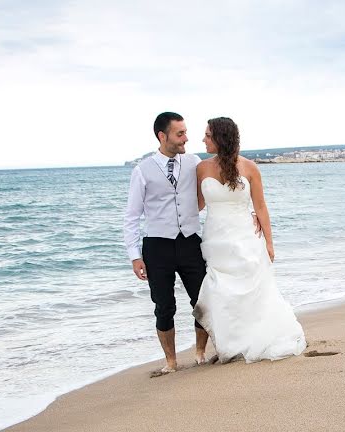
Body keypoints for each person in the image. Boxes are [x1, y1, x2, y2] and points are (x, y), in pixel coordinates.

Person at [193, 117, 306, 363]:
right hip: (215, 240)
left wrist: (269, 242)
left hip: (246, 235)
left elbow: (261, 207)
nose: (203, 140)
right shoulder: (201, 168)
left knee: (252, 289)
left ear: (220, 138)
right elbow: (195, 207)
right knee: (221, 292)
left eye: (208, 135)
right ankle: (230, 344)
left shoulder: (250, 168)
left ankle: (251, 341)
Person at [123, 112, 208, 374]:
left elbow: (207, 192)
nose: (186, 138)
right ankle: (171, 361)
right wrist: (135, 256)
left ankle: (200, 353)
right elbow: (132, 215)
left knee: (202, 300)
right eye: (180, 133)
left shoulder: (194, 162)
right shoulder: (143, 170)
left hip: (190, 241)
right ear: (163, 136)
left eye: (185, 132)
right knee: (164, 305)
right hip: (157, 245)